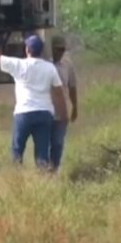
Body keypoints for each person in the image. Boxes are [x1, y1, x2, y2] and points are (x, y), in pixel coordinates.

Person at [0, 28, 68, 169]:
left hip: (23, 114)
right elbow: (59, 94)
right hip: (44, 114)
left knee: (17, 151)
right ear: (41, 51)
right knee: (42, 155)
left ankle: (16, 180)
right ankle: (42, 183)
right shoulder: (50, 68)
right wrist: (64, 116)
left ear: (27, 50)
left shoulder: (19, 65)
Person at [50, 35, 78, 171]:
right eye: (57, 49)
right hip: (47, 110)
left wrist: (75, 107)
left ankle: (55, 169)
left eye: (62, 50)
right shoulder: (45, 64)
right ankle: (44, 171)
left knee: (58, 143)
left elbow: (72, 86)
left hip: (62, 111)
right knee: (45, 143)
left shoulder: (67, 65)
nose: (60, 52)